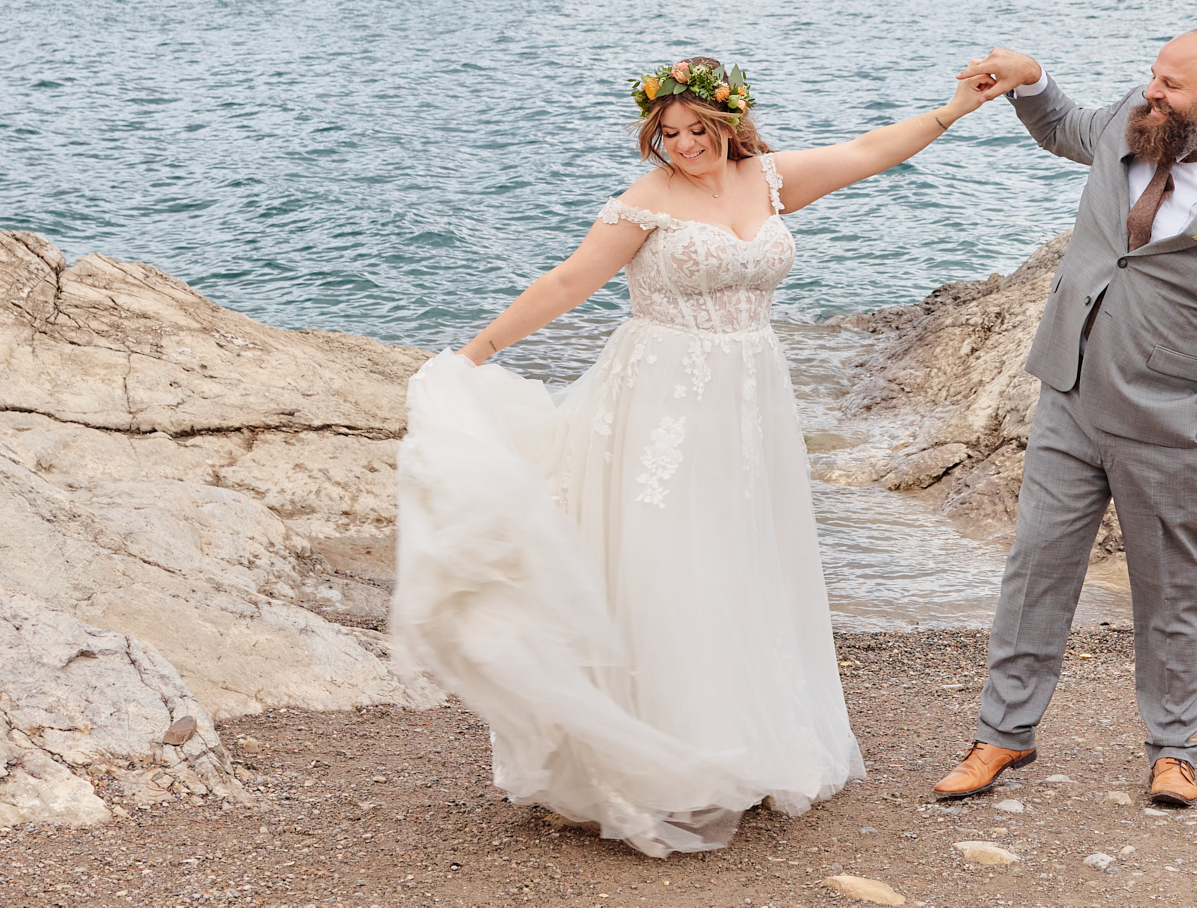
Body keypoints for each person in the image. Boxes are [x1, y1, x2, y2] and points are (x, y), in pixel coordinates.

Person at [390, 56, 1001, 857]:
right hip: (662, 394)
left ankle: (744, 741)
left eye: (697, 131)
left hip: (752, 396)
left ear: (729, 123)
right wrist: (473, 354)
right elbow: (571, 280)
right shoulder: (646, 203)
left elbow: (872, 151)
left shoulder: (771, 180)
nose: (682, 146)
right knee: (666, 557)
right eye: (668, 134)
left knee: (740, 556)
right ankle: (653, 757)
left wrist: (954, 108)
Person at [937, 30, 1197, 809]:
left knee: (1170, 596)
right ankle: (1003, 733)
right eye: (1152, 76)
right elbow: (1059, 126)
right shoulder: (1125, 126)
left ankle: (1174, 751)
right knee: (1035, 570)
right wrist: (1029, 78)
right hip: (1069, 404)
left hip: (1172, 432)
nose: (1152, 92)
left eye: (1172, 85)